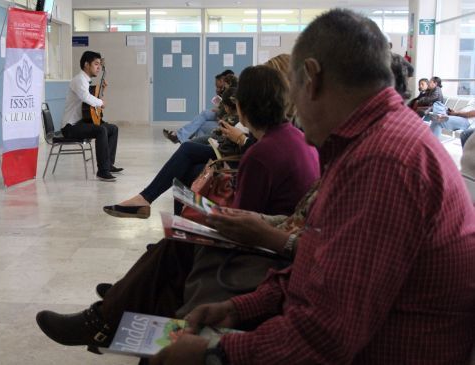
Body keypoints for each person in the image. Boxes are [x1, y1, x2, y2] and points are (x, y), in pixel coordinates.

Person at [147, 9, 474, 364]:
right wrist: (239, 308)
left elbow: (326, 336)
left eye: (293, 91)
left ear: (311, 78)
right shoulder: (368, 144)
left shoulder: (384, 161)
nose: (293, 109)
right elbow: (324, 266)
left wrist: (217, 353)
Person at [36, 65, 321, 354]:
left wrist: (209, 219)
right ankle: (118, 305)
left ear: (242, 109)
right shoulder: (297, 141)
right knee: (172, 242)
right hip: (276, 237)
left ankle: (105, 317)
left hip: (262, 251)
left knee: (174, 245)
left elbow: (243, 219)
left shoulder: (262, 153)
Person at [102, 55, 292, 219]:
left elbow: (261, 157)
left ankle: (156, 209)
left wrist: (241, 138)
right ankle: (170, 224)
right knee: (191, 148)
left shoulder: (286, 127)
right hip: (237, 150)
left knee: (189, 159)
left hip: (238, 157)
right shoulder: (282, 123)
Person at [61, 51, 120, 182]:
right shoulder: (79, 80)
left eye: (99, 64)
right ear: (86, 65)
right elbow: (86, 97)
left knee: (113, 128)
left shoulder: (86, 82)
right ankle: (102, 171)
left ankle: (108, 164)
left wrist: (101, 93)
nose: (98, 67)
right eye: (96, 64)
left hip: (82, 122)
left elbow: (89, 106)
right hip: (71, 127)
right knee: (101, 130)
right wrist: (101, 102)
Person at [163, 70, 235, 144]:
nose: (221, 86)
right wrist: (219, 93)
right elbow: (221, 106)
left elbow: (227, 113)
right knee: (203, 115)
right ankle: (185, 139)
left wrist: (219, 112)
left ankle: (184, 140)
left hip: (223, 120)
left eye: (224, 82)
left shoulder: (232, 94)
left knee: (201, 125)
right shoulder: (226, 91)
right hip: (221, 116)